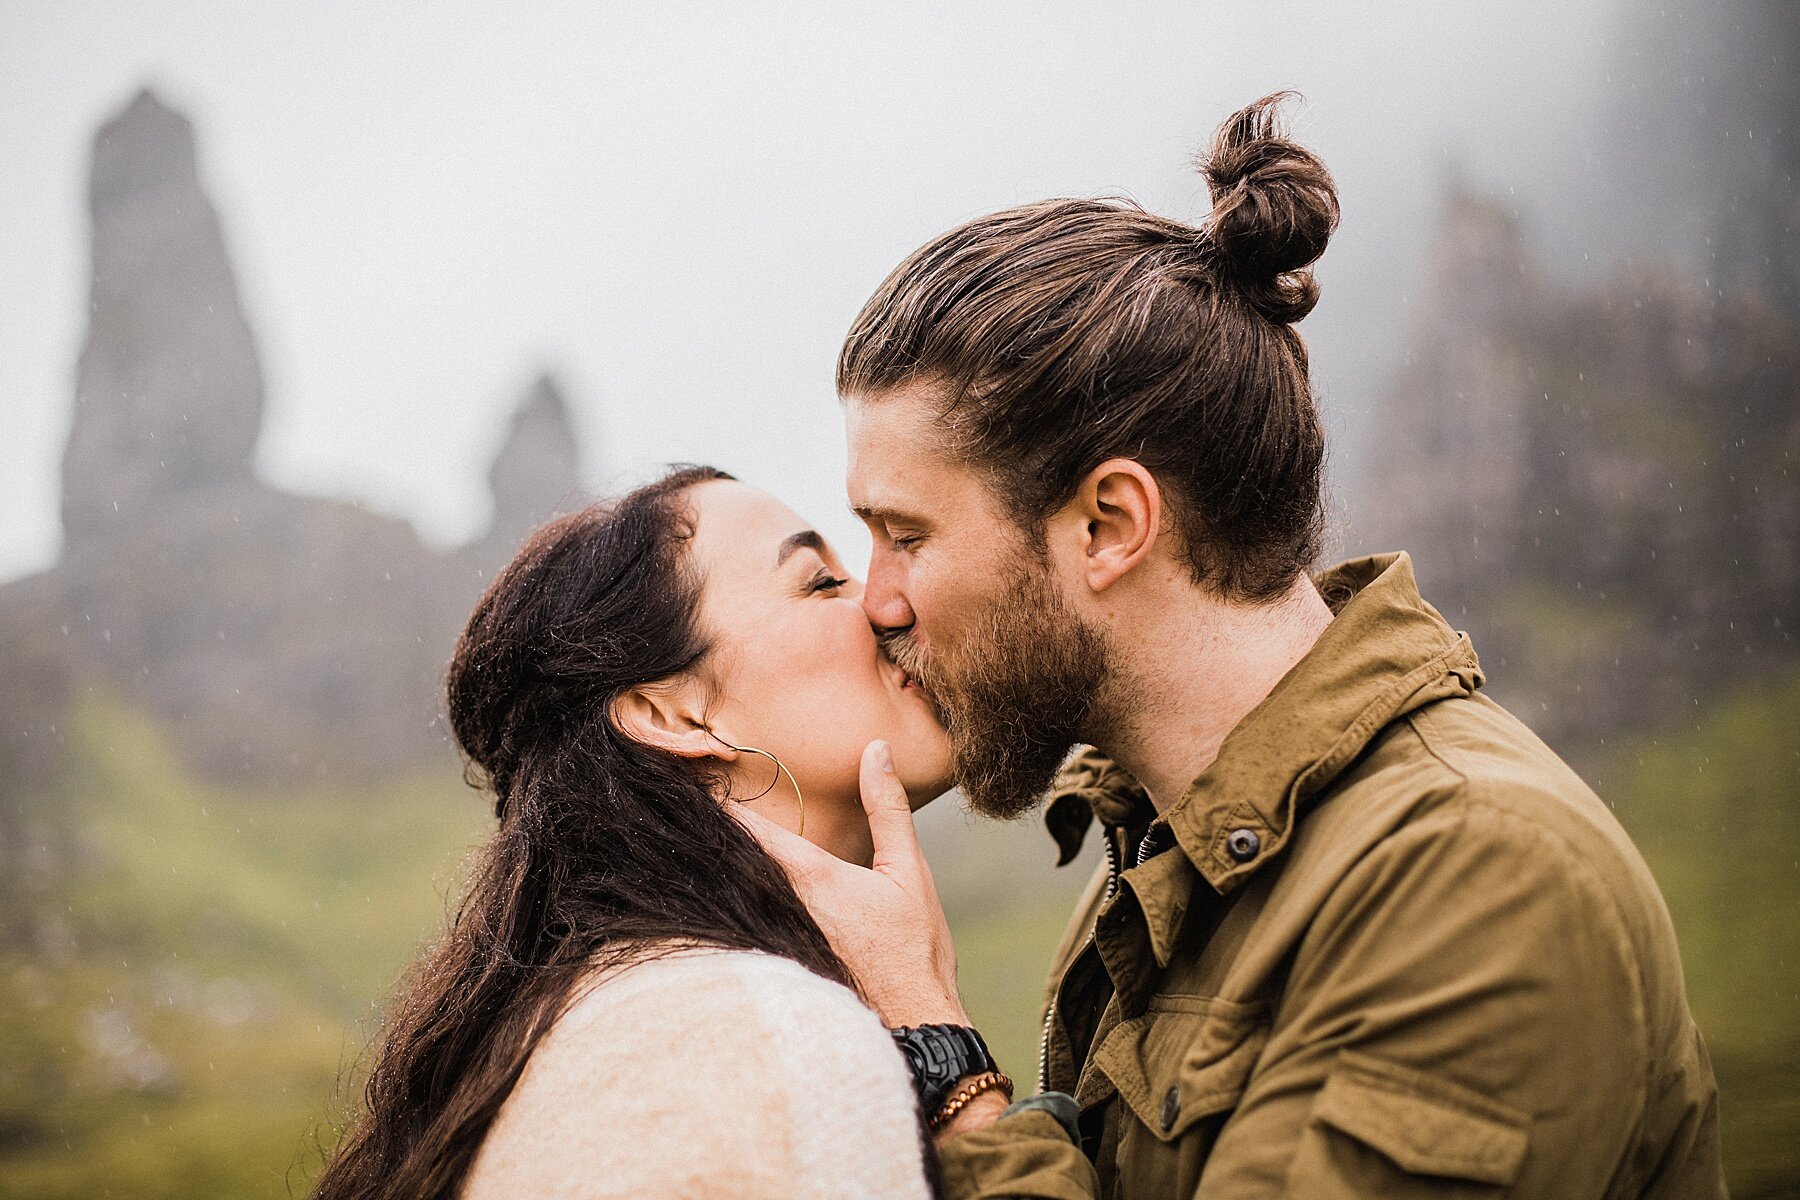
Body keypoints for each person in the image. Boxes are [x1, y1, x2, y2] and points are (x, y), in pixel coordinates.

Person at [742, 94, 1727, 1197]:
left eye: (906, 535)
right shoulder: (1163, 856)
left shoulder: (1478, 879)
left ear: (1110, 525)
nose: (876, 603)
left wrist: (942, 1061)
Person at [312, 466, 954, 1200]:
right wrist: (944, 1049)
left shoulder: (594, 1024)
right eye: (818, 582)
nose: (881, 602)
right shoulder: (765, 1049)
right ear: (673, 714)